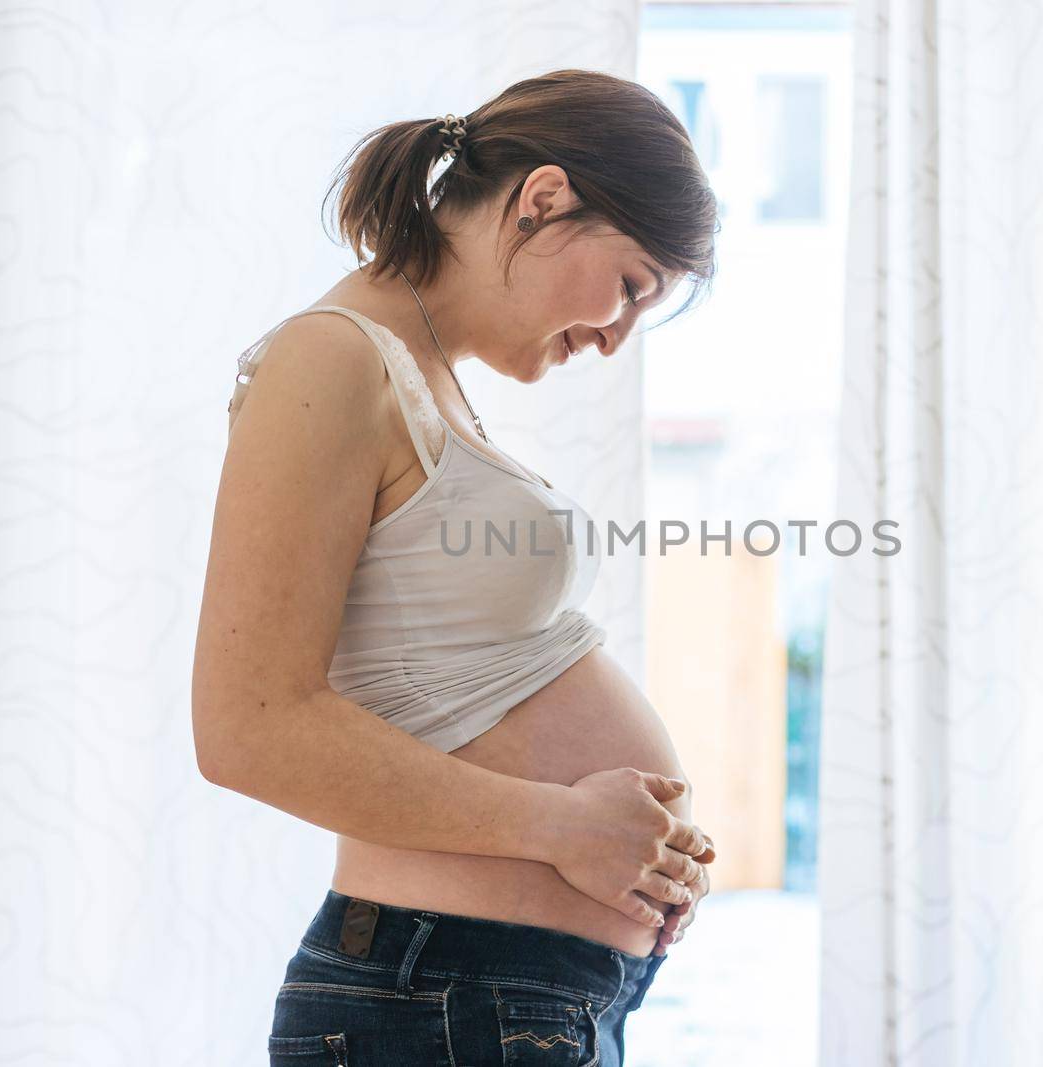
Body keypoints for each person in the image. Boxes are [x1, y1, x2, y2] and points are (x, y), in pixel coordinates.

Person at [191, 68, 722, 1065]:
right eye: (632, 287)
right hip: (441, 998)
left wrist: (633, 847)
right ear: (543, 200)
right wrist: (567, 827)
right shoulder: (331, 359)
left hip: (498, 998)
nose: (615, 337)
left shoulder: (420, 376)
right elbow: (246, 726)